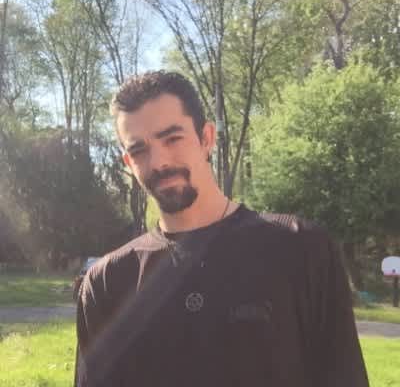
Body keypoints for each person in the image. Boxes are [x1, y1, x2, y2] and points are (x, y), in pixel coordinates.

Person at [74, 71, 369, 387]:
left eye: (172, 138)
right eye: (139, 150)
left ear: (206, 138)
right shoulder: (107, 283)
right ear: (128, 163)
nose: (159, 162)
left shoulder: (301, 250)